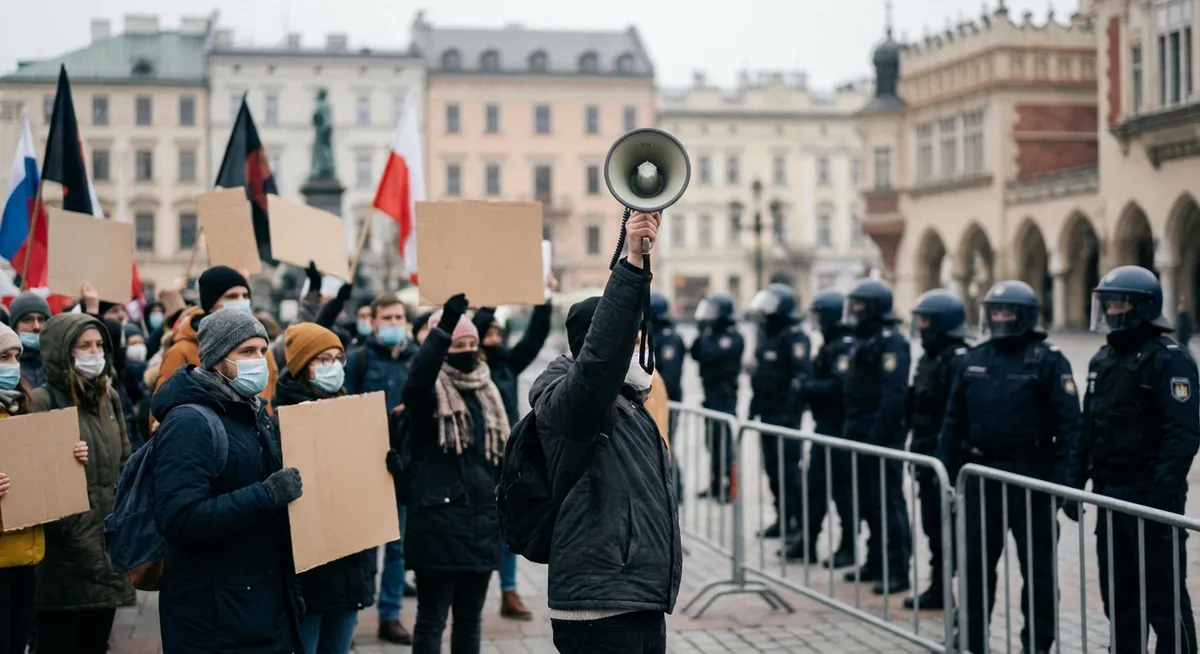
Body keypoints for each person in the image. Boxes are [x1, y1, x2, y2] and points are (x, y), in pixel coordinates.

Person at [529, 210, 680, 653]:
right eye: (626, 341)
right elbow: (601, 358)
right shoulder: (577, 400)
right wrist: (634, 261)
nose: (633, 349)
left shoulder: (628, 397)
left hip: (634, 600)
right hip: (601, 611)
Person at [150, 308, 304, 654]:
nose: (259, 361)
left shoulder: (251, 412)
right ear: (218, 359)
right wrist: (266, 495)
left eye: (262, 351)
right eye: (246, 352)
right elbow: (181, 519)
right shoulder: (189, 423)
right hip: (213, 617)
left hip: (256, 602)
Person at [939, 280, 1081, 654]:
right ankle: (970, 641)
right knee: (974, 570)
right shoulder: (972, 360)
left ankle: (1037, 645)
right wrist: (943, 473)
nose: (1001, 318)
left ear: (1025, 316)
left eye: (1008, 312)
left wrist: (1065, 485)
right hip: (981, 479)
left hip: (1032, 481)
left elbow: (1071, 428)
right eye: (996, 311)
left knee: (1038, 574)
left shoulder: (1048, 360)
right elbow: (952, 423)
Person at [1075, 265, 1197, 654]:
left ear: (1142, 307)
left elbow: (1183, 434)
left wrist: (1162, 494)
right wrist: (1072, 481)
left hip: (1151, 496)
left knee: (1164, 600)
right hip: (1110, 495)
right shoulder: (1102, 359)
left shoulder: (1169, 359)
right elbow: (1087, 427)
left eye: (1119, 303)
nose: (1111, 310)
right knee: (1120, 596)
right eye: (1106, 303)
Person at [402, 296, 506, 654]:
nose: (466, 352)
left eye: (470, 345)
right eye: (456, 346)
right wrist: (447, 323)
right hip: (438, 524)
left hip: (480, 523)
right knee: (431, 620)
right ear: (441, 349)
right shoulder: (429, 393)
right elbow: (417, 380)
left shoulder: (485, 389)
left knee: (470, 620)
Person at [31, 313, 135, 654]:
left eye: (99, 345)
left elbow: (124, 462)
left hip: (106, 547)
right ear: (63, 353)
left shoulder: (109, 399)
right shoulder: (43, 401)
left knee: (95, 642)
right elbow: (31, 474)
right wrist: (62, 457)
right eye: (84, 346)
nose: (95, 353)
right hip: (65, 556)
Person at [275, 323, 379, 654]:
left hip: (350, 560)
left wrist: (386, 464)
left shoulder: (353, 409)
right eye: (322, 359)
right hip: (310, 569)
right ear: (301, 366)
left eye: (337, 358)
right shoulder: (280, 420)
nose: (333, 366)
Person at [0, 322, 88, 654]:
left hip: (24, 554)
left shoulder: (21, 407)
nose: (11, 365)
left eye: (14, 356)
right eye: (2, 357)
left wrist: (69, 458)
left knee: (17, 641)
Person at [472, 281, 555, 622]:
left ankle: (509, 591)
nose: (493, 338)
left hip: (505, 459)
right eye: (487, 333)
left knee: (509, 527)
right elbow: (472, 329)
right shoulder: (470, 366)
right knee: (478, 527)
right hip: (474, 458)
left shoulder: (507, 364)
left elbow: (535, 336)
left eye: (497, 333)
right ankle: (471, 589)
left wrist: (544, 302)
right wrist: (489, 303)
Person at [344, 292, 418, 644]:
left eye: (398, 318)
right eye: (386, 318)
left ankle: (390, 616)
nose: (393, 325)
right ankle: (353, 615)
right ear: (372, 322)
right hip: (365, 466)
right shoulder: (358, 360)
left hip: (403, 468)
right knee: (362, 548)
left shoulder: (415, 360)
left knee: (398, 546)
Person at [839, 279, 912, 595]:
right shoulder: (863, 339)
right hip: (860, 434)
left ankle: (897, 569)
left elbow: (893, 395)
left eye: (860, 305)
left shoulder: (891, 341)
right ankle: (875, 561)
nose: (854, 311)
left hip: (881, 438)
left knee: (889, 505)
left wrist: (877, 435)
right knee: (868, 503)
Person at [903, 289, 968, 611]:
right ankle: (939, 587)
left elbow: (955, 415)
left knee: (952, 530)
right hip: (927, 456)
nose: (922, 326)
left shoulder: (956, 360)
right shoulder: (928, 358)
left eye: (927, 320)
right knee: (933, 527)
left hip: (948, 460)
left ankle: (957, 592)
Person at [747, 284, 812, 559]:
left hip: (786, 417)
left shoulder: (795, 337)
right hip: (768, 414)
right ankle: (782, 518)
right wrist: (754, 406)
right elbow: (760, 375)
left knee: (790, 473)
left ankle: (797, 524)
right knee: (773, 470)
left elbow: (800, 377)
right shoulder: (767, 334)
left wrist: (791, 410)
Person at [156, 265, 279, 407]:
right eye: (232, 296)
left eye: (245, 296)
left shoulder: (261, 351)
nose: (241, 302)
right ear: (210, 305)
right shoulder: (181, 350)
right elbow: (164, 409)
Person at [798, 289, 858, 570]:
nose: (818, 321)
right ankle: (807, 541)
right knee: (816, 488)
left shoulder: (844, 346)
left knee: (843, 494)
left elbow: (838, 387)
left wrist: (806, 387)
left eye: (821, 315)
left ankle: (848, 545)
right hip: (825, 428)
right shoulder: (831, 344)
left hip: (839, 429)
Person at [689, 291, 742, 503]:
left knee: (724, 445)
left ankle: (729, 486)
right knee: (712, 442)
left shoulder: (732, 337)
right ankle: (715, 483)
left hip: (725, 397)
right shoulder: (710, 335)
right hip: (710, 395)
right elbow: (694, 353)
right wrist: (701, 333)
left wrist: (705, 337)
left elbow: (711, 354)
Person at [9, 291, 50, 388]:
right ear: (14, 326)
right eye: (28, 320)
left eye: (41, 320)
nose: (37, 326)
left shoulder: (57, 363)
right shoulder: (6, 365)